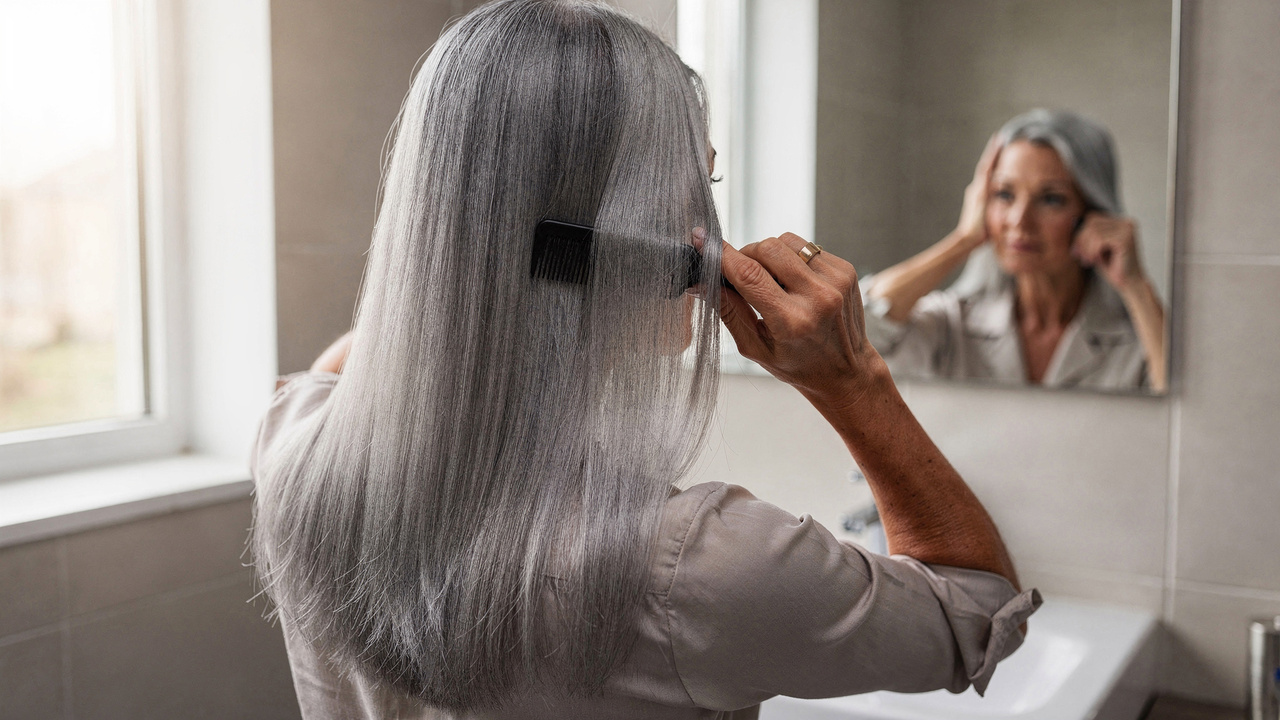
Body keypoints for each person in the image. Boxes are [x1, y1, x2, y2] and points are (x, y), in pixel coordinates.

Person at [249, 2, 1039, 719]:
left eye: (710, 184)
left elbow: (343, 367)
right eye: (682, 191)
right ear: (575, 241)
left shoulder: (292, 442)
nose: (707, 235)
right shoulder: (697, 569)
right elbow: (973, 610)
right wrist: (851, 378)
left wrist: (469, 275)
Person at [862, 109, 1167, 392]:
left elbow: (1193, 413)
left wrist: (1136, 286)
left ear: (1092, 214)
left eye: (1051, 199)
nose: (1019, 221)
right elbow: (854, 331)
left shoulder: (1135, 338)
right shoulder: (951, 325)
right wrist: (964, 240)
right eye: (1004, 194)